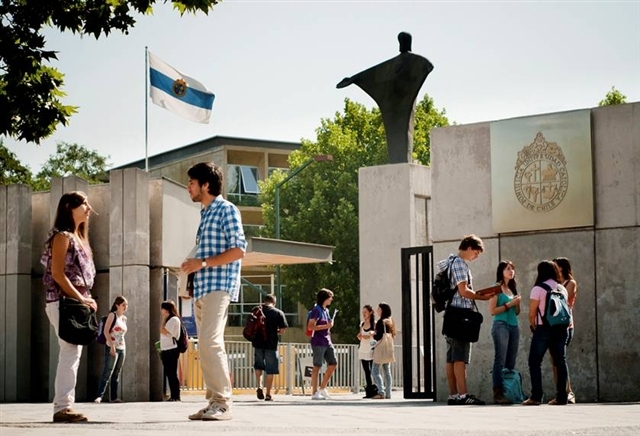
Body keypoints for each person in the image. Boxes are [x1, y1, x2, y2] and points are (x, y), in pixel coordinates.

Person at [181, 162, 247, 421]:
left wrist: (203, 263)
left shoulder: (226, 209)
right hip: (203, 288)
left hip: (220, 285)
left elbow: (239, 250)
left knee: (210, 342)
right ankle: (213, 402)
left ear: (206, 185)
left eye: (191, 183)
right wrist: (192, 276)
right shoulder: (205, 214)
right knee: (205, 346)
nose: (189, 187)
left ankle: (222, 404)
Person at [40, 191, 97, 423]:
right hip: (63, 302)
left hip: (73, 303)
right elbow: (57, 274)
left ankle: (64, 405)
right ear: (68, 208)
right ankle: (62, 406)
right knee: (70, 351)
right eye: (83, 203)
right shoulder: (62, 236)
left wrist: (85, 298)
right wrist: (81, 298)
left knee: (72, 352)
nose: (89, 208)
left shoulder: (78, 237)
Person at [436, 234, 497, 406]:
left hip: (451, 315)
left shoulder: (450, 262)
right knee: (460, 357)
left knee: (451, 358)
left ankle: (454, 395)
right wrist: (483, 297)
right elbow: (463, 292)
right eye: (476, 253)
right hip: (461, 315)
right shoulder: (460, 264)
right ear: (469, 248)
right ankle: (463, 395)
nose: (476, 257)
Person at [523, 260, 570, 406]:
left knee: (534, 362)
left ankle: (536, 397)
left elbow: (532, 313)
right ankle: (562, 397)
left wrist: (533, 325)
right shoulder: (562, 288)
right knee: (560, 361)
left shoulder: (538, 288)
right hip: (561, 329)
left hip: (543, 328)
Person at [488, 261, 521, 404]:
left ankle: (509, 391)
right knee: (500, 359)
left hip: (514, 326)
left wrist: (517, 303)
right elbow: (492, 311)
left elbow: (517, 312)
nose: (511, 271)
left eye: (512, 268)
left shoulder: (513, 289)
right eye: (508, 269)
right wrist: (509, 304)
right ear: (501, 271)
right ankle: (498, 393)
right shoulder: (496, 288)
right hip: (500, 325)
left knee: (510, 361)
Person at [252, 294, 288, 402]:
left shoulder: (255, 310)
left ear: (264, 301)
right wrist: (274, 331)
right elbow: (282, 331)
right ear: (274, 302)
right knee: (270, 370)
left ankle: (259, 386)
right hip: (271, 345)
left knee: (258, 366)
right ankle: (268, 394)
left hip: (257, 343)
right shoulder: (278, 313)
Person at [552, 257, 578, 404]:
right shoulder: (556, 284)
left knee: (560, 359)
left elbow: (564, 301)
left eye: (555, 265)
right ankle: (561, 392)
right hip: (554, 326)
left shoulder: (570, 283)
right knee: (556, 360)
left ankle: (568, 392)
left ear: (561, 267)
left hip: (566, 325)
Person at [94, 296, 128, 403]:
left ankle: (113, 397)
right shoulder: (112, 315)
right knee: (107, 371)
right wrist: (112, 346)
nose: (125, 307)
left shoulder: (124, 318)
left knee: (116, 373)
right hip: (112, 346)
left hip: (122, 347)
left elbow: (122, 334)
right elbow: (106, 331)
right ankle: (99, 395)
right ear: (117, 305)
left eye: (126, 305)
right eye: (123, 305)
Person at [307, 288, 338, 400]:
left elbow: (328, 324)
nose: (331, 299)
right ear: (325, 298)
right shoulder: (317, 310)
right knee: (317, 366)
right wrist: (326, 326)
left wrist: (330, 325)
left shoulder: (326, 310)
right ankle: (314, 392)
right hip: (318, 341)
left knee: (333, 363)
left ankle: (322, 388)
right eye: (330, 297)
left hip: (327, 340)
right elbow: (311, 326)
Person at [371, 302, 397, 400]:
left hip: (381, 348)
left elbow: (378, 336)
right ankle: (388, 393)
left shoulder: (380, 322)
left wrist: (372, 333)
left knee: (375, 370)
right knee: (387, 371)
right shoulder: (390, 321)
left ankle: (381, 392)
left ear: (382, 310)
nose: (377, 311)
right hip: (388, 348)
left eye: (379, 309)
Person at [159, 300, 182, 402]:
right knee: (169, 373)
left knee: (172, 373)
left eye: (162, 308)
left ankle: (175, 395)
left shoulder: (173, 320)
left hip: (171, 349)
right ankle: (174, 395)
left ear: (166, 309)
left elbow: (163, 330)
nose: (161, 311)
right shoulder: (170, 319)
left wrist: (163, 319)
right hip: (166, 349)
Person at [357, 305, 377, 398]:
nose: (363, 314)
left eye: (365, 312)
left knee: (373, 370)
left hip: (371, 348)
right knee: (366, 371)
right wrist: (360, 336)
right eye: (363, 312)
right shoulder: (362, 324)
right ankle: (369, 391)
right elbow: (361, 334)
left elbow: (376, 337)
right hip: (363, 348)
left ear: (370, 312)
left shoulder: (374, 324)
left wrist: (370, 335)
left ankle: (376, 389)